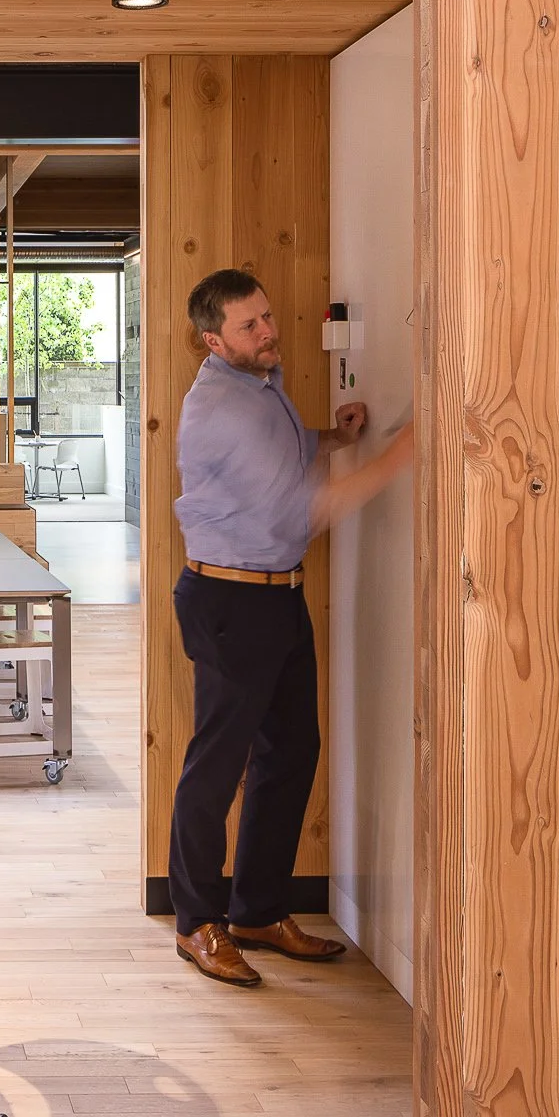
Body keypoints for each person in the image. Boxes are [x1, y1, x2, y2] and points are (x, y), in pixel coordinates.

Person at [168, 269, 415, 989]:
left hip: (276, 595)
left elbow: (283, 461)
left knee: (290, 750)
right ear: (213, 340)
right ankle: (195, 922)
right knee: (217, 766)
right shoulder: (226, 406)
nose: (269, 331)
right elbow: (305, 510)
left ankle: (256, 910)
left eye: (268, 316)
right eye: (250, 326)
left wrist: (331, 439)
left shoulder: (259, 383)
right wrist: (406, 454)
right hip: (229, 601)